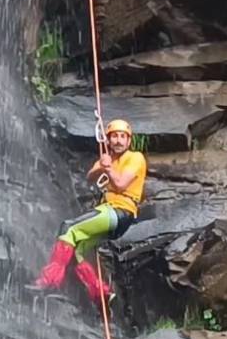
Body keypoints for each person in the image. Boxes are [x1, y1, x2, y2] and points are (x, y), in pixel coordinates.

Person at [34, 118, 147, 306]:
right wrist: (102, 165)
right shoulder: (108, 159)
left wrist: (108, 168)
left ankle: (50, 281)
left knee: (68, 228)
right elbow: (91, 177)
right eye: (114, 137)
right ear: (108, 141)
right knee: (78, 251)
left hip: (119, 211)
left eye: (122, 137)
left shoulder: (135, 158)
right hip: (111, 214)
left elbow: (120, 184)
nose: (118, 141)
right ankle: (101, 293)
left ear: (129, 141)